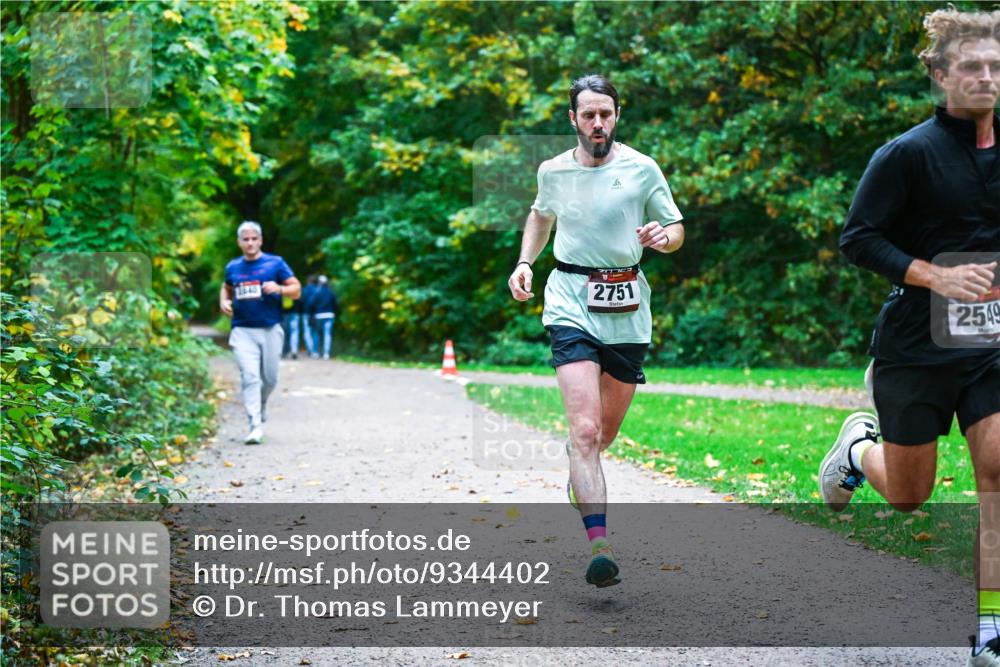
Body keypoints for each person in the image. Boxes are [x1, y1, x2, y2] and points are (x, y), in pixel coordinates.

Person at [817, 9, 1000, 666]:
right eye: (973, 66)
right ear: (941, 73)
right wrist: (934, 276)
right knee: (909, 493)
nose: (986, 77)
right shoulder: (906, 154)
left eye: (995, 65)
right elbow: (858, 238)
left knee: (999, 470)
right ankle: (856, 446)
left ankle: (990, 629)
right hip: (915, 347)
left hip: (988, 349)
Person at [507, 74, 684, 588]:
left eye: (606, 114)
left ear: (616, 115)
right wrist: (525, 262)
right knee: (584, 431)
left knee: (602, 435)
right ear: (573, 120)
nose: (598, 123)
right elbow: (540, 216)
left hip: (627, 305)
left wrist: (662, 237)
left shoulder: (642, 168)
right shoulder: (554, 171)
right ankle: (600, 544)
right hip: (569, 299)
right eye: (589, 115)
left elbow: (675, 230)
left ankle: (580, 465)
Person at [219, 221, 301, 444]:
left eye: (254, 239)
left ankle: (262, 402)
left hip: (270, 329)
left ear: (261, 240)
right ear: (239, 242)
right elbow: (226, 287)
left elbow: (296, 289)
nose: (250, 243)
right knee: (250, 377)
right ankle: (255, 425)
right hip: (242, 330)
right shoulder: (233, 267)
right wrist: (224, 301)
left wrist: (280, 289)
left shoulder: (275, 263)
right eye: (245, 239)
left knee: (270, 379)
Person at [309, 275, 340, 360]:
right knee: (327, 334)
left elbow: (311, 304)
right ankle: (326, 353)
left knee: (316, 334)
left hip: (318, 316)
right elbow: (336, 304)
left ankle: (316, 352)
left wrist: (311, 314)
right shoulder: (331, 292)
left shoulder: (317, 292)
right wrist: (334, 312)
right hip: (329, 315)